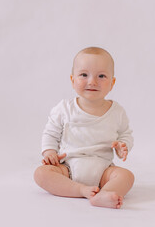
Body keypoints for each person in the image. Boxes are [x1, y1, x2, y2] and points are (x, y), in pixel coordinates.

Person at [34, 47, 134, 209]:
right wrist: (49, 152)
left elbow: (125, 135)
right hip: (68, 167)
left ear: (112, 83)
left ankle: (103, 194)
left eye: (101, 76)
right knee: (41, 174)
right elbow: (50, 133)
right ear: (73, 80)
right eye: (84, 75)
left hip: (103, 170)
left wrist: (123, 146)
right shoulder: (64, 108)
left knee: (127, 176)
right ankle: (80, 189)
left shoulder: (117, 111)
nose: (92, 81)